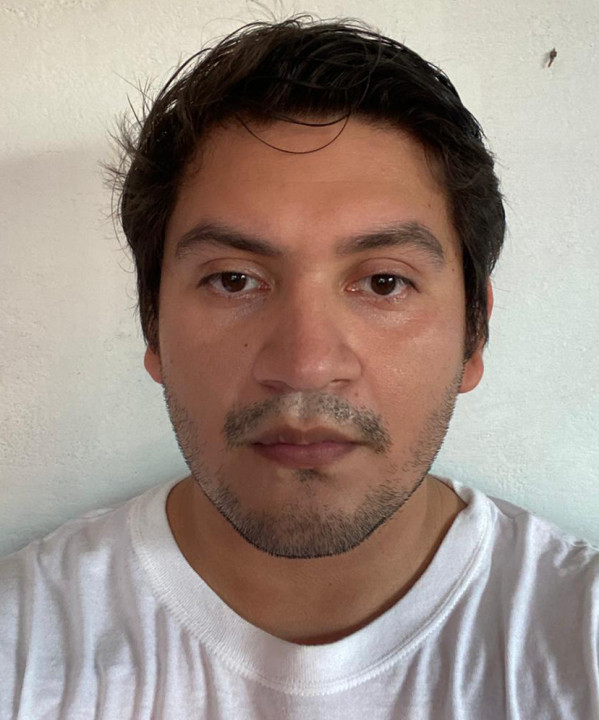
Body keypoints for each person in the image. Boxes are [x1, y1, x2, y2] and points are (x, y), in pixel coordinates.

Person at [0, 16, 597, 719]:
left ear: (474, 334)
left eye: (383, 282)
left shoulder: (578, 642)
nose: (306, 366)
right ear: (152, 324)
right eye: (233, 280)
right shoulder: (21, 645)